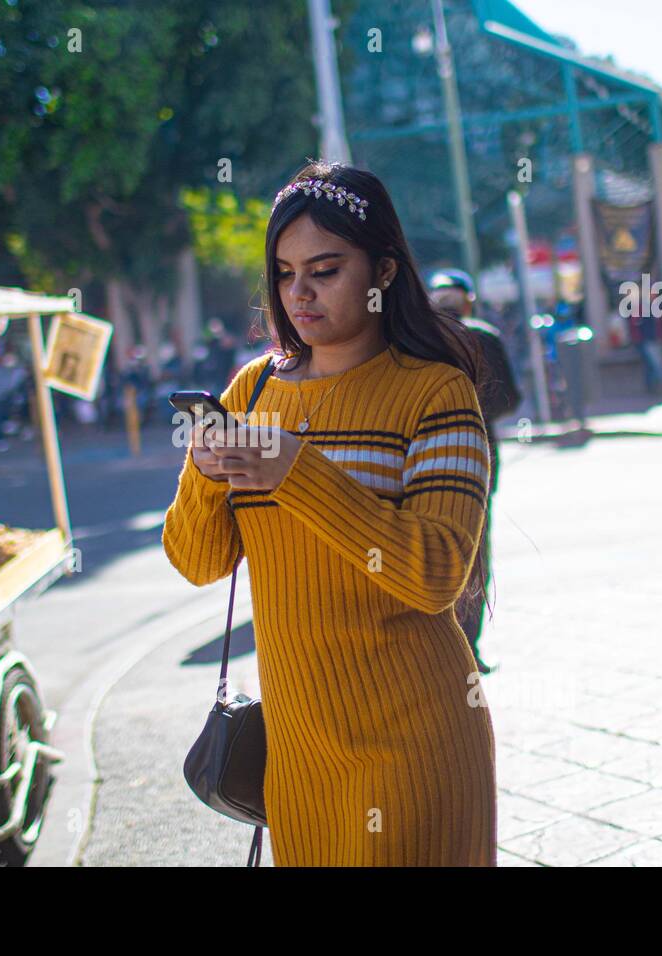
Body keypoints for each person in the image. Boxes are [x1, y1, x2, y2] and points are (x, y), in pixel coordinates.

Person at [163, 161, 496, 866]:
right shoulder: (254, 389)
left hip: (414, 744)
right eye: (284, 273)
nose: (299, 293)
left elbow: (436, 573)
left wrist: (298, 472)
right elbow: (198, 562)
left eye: (324, 269)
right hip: (297, 755)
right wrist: (201, 470)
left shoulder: (435, 393)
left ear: (382, 272)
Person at [427, 267, 520, 674]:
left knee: (429, 553)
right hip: (478, 460)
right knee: (475, 556)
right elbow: (509, 398)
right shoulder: (483, 337)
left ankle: (440, 651)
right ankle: (467, 649)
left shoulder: (413, 339)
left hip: (423, 462)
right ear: (469, 300)